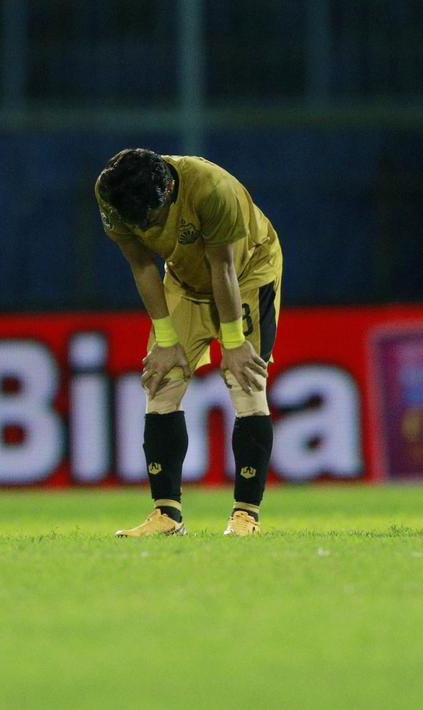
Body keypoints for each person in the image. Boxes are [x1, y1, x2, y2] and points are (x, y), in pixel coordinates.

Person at [95, 149, 283, 536]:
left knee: (245, 383)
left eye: (153, 219)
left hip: (247, 272)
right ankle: (167, 515)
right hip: (183, 279)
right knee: (162, 382)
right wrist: (165, 339)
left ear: (166, 191)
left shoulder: (213, 190)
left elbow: (224, 267)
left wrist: (232, 342)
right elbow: (143, 264)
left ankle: (246, 515)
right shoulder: (111, 193)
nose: (148, 228)